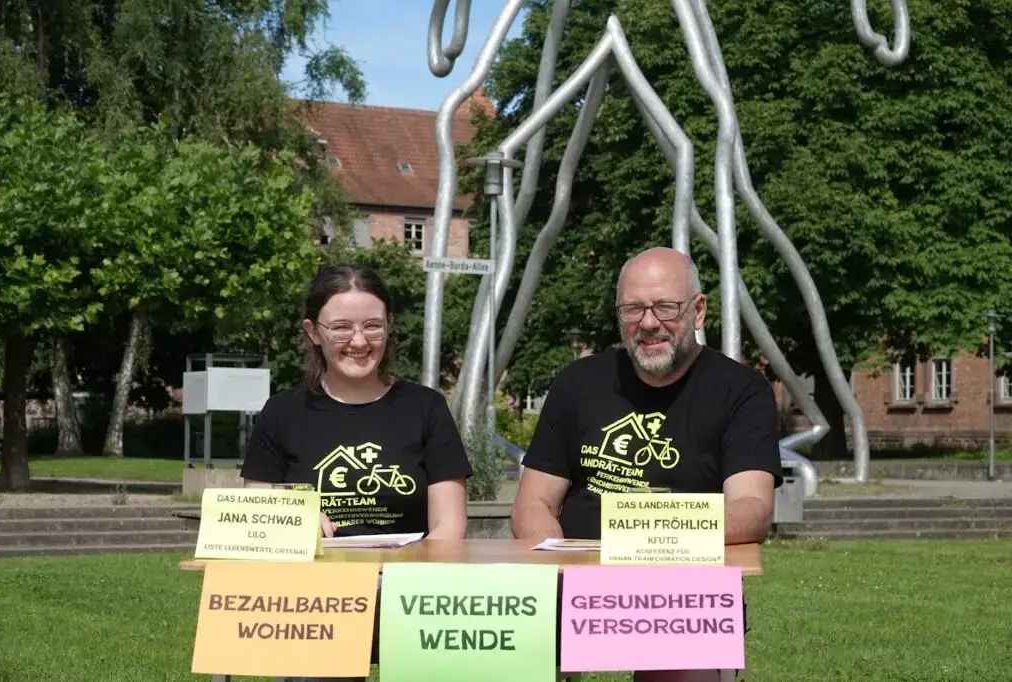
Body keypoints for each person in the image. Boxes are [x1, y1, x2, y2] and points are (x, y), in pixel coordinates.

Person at [511, 246, 782, 682]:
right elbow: (532, 504)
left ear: (697, 311)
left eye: (665, 307)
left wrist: (645, 537)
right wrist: (560, 569)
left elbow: (752, 510)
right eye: (633, 309)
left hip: (683, 591)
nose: (649, 323)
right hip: (575, 579)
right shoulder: (578, 383)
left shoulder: (742, 391)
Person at [240, 263, 472, 681]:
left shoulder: (426, 408)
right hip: (314, 596)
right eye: (342, 327)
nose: (360, 341)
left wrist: (404, 588)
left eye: (373, 326)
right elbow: (257, 519)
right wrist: (294, 519)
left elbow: (449, 527)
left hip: (408, 591)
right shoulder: (282, 412)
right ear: (313, 332)